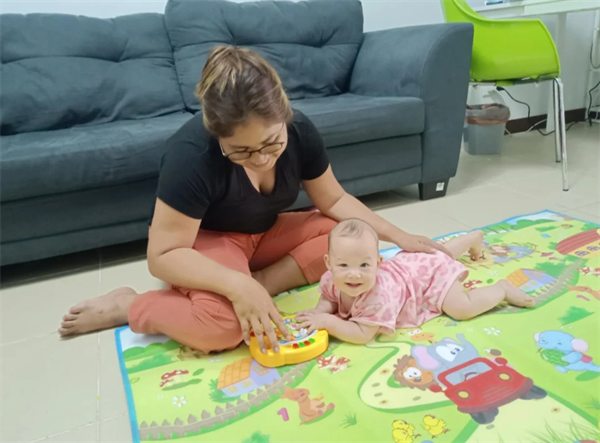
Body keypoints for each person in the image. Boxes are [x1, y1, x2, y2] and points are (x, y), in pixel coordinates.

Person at [58, 46, 449, 354]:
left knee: (345, 236)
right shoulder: (190, 155)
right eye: (241, 151)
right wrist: (234, 284)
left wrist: (400, 236)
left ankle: (255, 284)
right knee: (224, 328)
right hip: (205, 244)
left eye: (271, 143)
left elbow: (333, 199)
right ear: (217, 135)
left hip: (262, 236)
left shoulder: (300, 130)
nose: (261, 159)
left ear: (284, 115)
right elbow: (162, 255)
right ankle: (130, 305)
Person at [296, 219, 535, 344]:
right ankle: (472, 238)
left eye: (364, 265)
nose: (354, 274)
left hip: (428, 279)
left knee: (461, 308)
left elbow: (362, 334)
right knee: (437, 255)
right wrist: (319, 312)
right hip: (414, 265)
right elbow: (329, 298)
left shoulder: (377, 297)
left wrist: (327, 322)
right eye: (343, 266)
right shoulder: (330, 279)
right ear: (329, 264)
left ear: (379, 263)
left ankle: (501, 289)